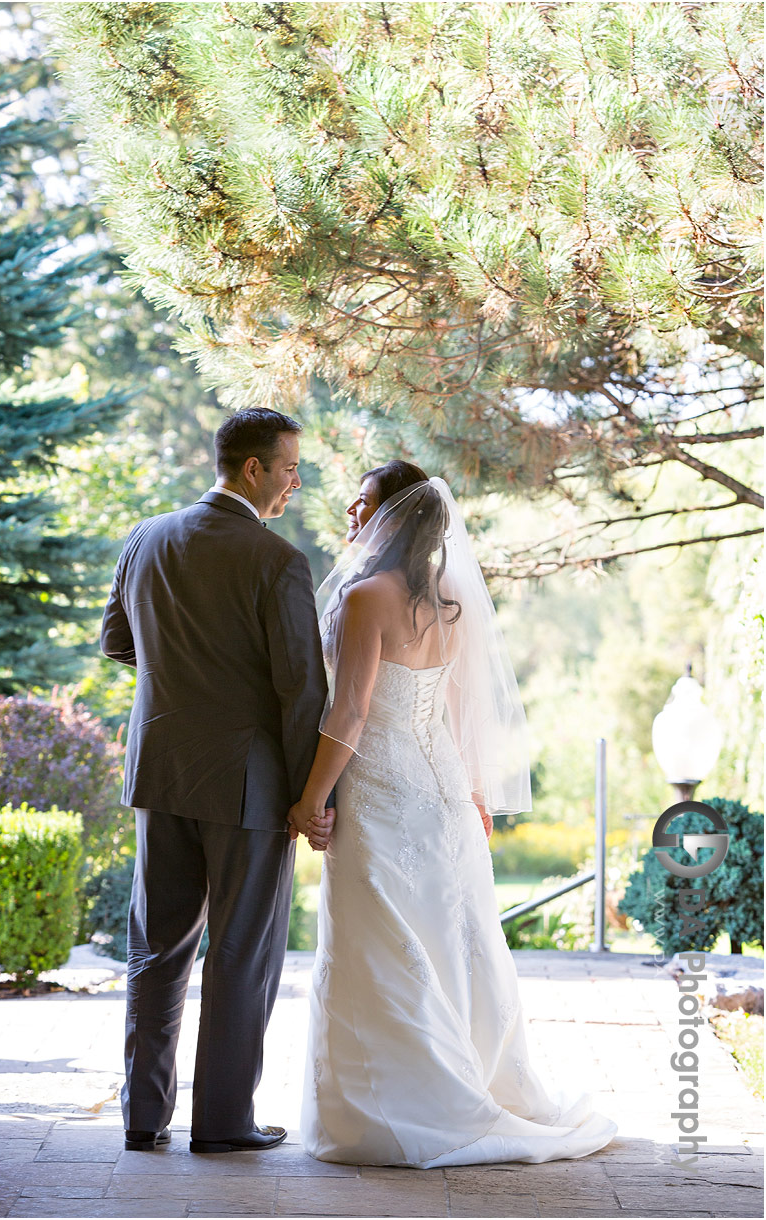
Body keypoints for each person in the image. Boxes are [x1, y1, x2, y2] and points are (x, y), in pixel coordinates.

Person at [289, 460, 618, 1167]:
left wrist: (311, 799)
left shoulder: (363, 599)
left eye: (365, 503)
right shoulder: (449, 601)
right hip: (442, 793)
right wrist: (473, 796)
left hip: (381, 794)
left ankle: (394, 1109)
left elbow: (348, 711)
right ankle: (474, 1082)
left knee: (380, 942)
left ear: (392, 519)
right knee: (450, 940)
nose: (353, 511)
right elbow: (461, 713)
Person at [100, 408, 331, 1155]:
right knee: (241, 953)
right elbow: (301, 692)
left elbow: (117, 642)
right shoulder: (277, 561)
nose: (296, 481)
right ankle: (225, 1123)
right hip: (248, 787)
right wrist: (311, 797)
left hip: (160, 769)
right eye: (290, 467)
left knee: (155, 948)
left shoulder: (143, 537)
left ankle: (143, 1117)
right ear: (255, 469)